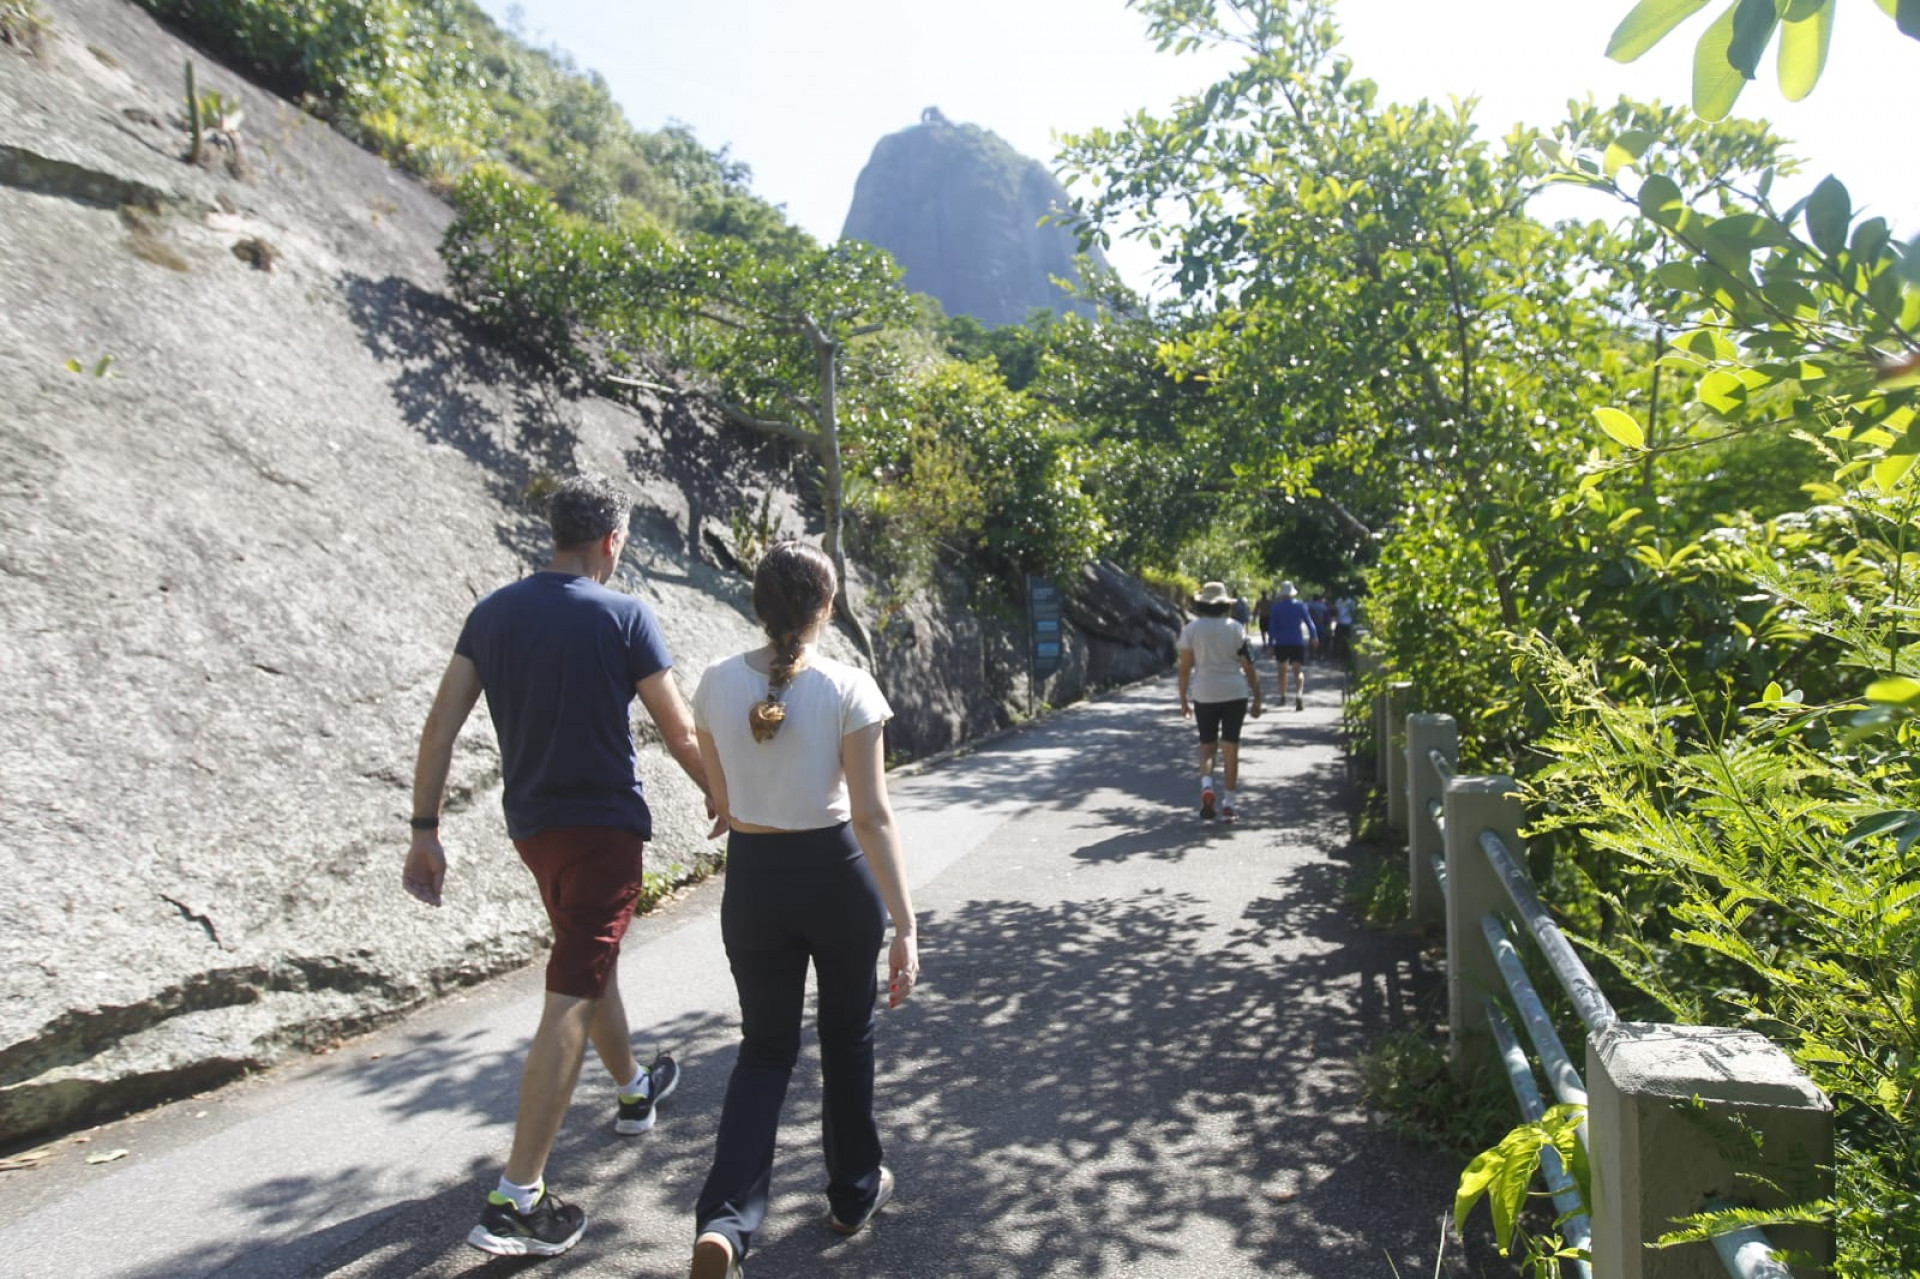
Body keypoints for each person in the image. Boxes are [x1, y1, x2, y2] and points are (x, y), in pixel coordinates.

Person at [405, 474, 723, 1258]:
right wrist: (728, 800)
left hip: (534, 830)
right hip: (605, 828)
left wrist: (425, 829)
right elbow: (679, 730)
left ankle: (634, 1089)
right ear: (612, 540)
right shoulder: (625, 613)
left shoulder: (493, 612)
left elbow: (439, 727)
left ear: (554, 535)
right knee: (572, 991)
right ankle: (516, 1198)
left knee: (591, 960)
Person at [686, 541, 919, 1279]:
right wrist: (906, 925)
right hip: (835, 877)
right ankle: (852, 1193)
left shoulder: (715, 683)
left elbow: (721, 803)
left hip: (753, 880)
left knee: (763, 1051)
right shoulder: (848, 686)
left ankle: (725, 1222)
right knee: (846, 1039)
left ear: (758, 606)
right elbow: (873, 816)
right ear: (825, 606)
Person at [1177, 581, 1264, 822]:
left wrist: (1183, 700)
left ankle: (1207, 786)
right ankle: (1229, 804)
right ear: (1225, 606)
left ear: (1202, 605)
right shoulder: (1236, 628)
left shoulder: (1191, 630)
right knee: (1230, 747)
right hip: (1234, 692)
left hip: (1204, 693)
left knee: (1207, 745)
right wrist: (1257, 695)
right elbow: (1248, 665)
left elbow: (1184, 669)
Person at [1267, 580, 1318, 711]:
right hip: (1296, 641)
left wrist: (1270, 644)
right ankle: (1299, 694)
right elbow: (1309, 622)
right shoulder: (1300, 605)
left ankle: (1283, 697)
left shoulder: (1276, 607)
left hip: (1281, 642)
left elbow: (1272, 627)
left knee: (1282, 671)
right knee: (1298, 671)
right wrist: (1314, 636)